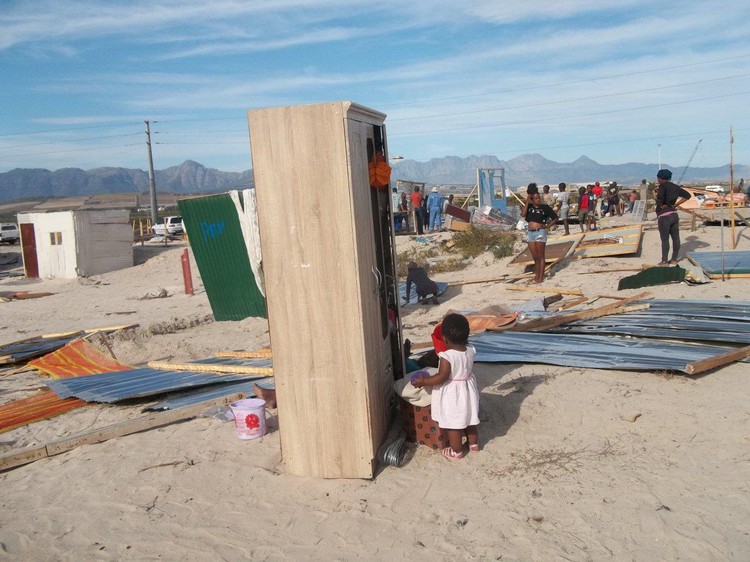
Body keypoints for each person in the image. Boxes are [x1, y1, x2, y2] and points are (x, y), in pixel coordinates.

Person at [412, 313, 480, 460]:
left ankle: (456, 451)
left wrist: (424, 381)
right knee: (469, 418)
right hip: (468, 388)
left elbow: (441, 377)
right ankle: (473, 444)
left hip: (454, 393)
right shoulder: (470, 350)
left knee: (453, 423)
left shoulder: (446, 356)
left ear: (445, 339)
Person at [655, 168, 691, 266]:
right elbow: (687, 196)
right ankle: (674, 259)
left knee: (665, 239)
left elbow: (660, 200)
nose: (657, 179)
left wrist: (661, 204)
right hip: (674, 215)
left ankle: (664, 261)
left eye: (658, 177)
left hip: (664, 216)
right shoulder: (675, 187)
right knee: (676, 238)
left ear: (661, 178)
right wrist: (675, 205)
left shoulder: (662, 187)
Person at [522, 191, 558, 284]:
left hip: (540, 233)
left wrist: (547, 226)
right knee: (535, 257)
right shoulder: (530, 208)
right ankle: (536, 276)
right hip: (530, 233)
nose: (538, 199)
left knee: (541, 256)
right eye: (536, 198)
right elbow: (523, 214)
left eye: (539, 198)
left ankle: (540, 277)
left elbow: (555, 217)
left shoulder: (544, 208)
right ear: (532, 200)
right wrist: (527, 202)